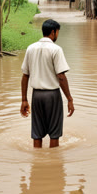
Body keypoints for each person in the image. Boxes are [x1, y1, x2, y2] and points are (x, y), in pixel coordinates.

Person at [20, 19, 75, 148]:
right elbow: (61, 76)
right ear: (53, 32)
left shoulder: (30, 48)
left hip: (36, 96)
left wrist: (24, 99)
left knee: (37, 133)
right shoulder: (56, 49)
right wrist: (69, 99)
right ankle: (53, 163)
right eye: (58, 32)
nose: (57, 35)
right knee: (54, 134)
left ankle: (38, 161)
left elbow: (25, 76)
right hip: (52, 96)